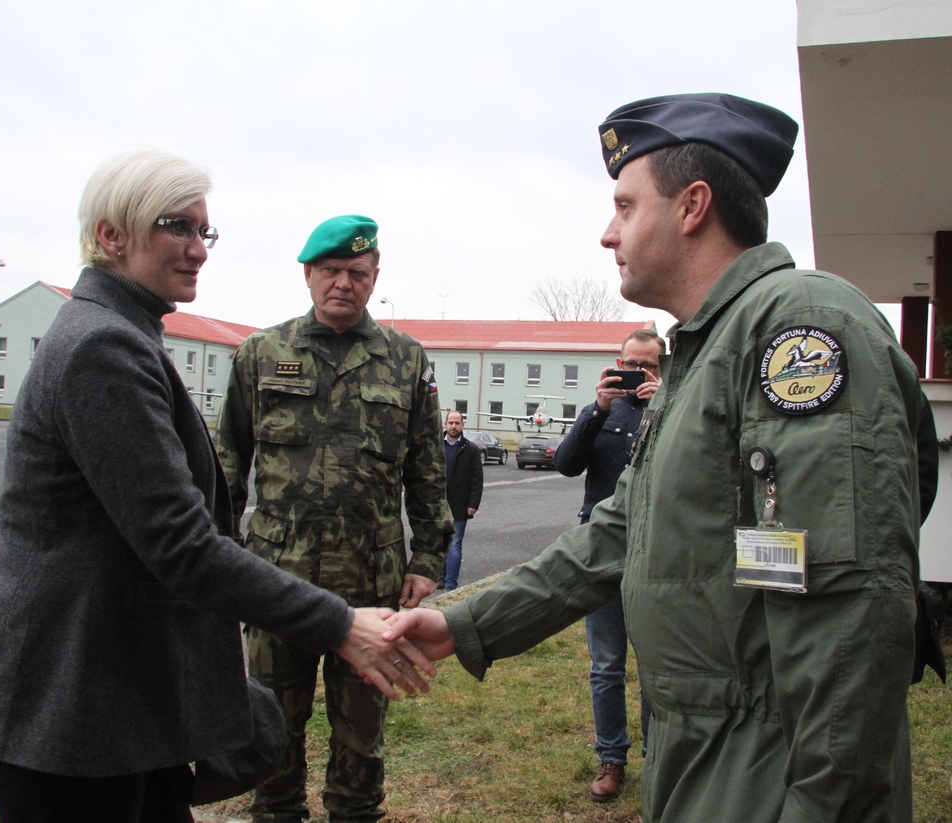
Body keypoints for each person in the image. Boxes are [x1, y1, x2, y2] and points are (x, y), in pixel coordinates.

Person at [384, 93, 922, 823]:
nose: (609, 234)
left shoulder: (795, 326)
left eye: (626, 207)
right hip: (699, 747)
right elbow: (615, 533)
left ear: (693, 205)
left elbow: (845, 603)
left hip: (770, 762)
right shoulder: (703, 354)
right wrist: (465, 624)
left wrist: (826, 802)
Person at [0, 151, 433, 823]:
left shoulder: (125, 332)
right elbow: (182, 540)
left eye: (204, 231)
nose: (198, 249)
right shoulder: (103, 347)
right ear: (111, 235)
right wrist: (340, 622)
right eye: (178, 225)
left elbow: (422, 469)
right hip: (65, 710)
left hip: (106, 704)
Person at [215, 215, 450, 823]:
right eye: (330, 271)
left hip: (371, 588)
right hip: (276, 583)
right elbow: (226, 466)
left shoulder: (406, 359)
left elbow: (428, 470)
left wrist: (426, 561)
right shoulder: (260, 354)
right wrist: (217, 562)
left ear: (375, 278)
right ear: (308, 274)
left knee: (360, 747)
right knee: (268, 737)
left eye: (357, 272)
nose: (342, 283)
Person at [553, 328, 664, 801]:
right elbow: (565, 464)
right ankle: (611, 758)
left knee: (659, 665)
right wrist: (597, 408)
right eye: (631, 364)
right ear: (616, 363)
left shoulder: (675, 408)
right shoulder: (603, 411)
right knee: (607, 665)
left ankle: (658, 759)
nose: (639, 373)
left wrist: (666, 403)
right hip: (603, 553)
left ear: (663, 369)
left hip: (660, 553)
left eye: (650, 366)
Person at [440, 410, 484, 591]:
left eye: (457, 423)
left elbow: (477, 479)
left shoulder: (470, 449)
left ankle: (451, 583)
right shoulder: (436, 445)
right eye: (450, 423)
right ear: (445, 424)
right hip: (438, 504)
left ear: (462, 425)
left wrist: (473, 503)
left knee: (455, 543)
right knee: (439, 543)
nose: (453, 426)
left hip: (460, 505)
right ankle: (440, 578)